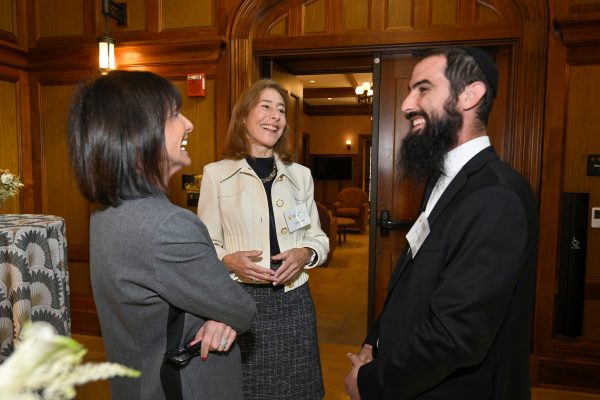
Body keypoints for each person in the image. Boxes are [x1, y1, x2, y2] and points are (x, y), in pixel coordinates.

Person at [344, 47, 539, 399]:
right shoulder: (442, 179)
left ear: (469, 95)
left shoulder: (497, 196)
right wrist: (375, 342)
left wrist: (370, 382)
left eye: (422, 88)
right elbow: (413, 280)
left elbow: (455, 335)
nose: (406, 105)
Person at [67, 70, 257, 400]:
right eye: (174, 114)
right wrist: (224, 315)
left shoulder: (105, 213)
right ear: (139, 132)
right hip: (185, 387)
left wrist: (219, 308)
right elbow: (240, 309)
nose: (188, 123)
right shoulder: (169, 226)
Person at [197, 78, 329, 399]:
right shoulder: (216, 174)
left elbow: (319, 239)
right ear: (244, 116)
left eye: (281, 110)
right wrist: (228, 260)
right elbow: (204, 248)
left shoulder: (301, 176)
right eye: (266, 106)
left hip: (294, 304)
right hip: (239, 303)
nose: (275, 116)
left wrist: (306, 253)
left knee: (299, 391)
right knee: (248, 391)